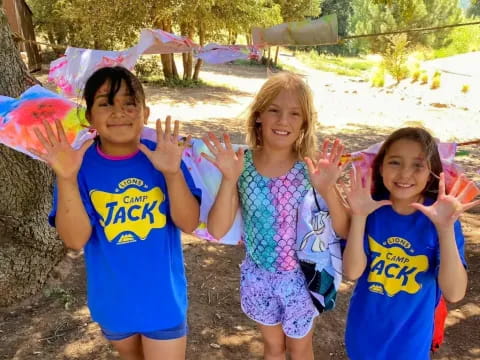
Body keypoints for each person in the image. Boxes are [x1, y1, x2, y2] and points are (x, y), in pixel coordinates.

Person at [30, 66, 201, 360]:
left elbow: (188, 222)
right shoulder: (77, 165)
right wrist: (67, 178)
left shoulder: (163, 155)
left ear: (145, 112)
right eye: (105, 103)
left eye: (129, 102)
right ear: (89, 117)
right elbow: (74, 239)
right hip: (112, 305)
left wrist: (172, 173)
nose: (118, 111)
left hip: (163, 302)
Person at [202, 72, 350, 360]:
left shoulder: (312, 169)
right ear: (259, 116)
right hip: (259, 277)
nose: (284, 121)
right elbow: (218, 230)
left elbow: (343, 229)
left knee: (299, 347)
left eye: (295, 114)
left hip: (304, 278)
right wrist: (229, 179)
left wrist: (328, 189)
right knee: (273, 347)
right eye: (274, 110)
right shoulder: (240, 165)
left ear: (305, 122)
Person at [342, 127, 479, 360]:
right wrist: (359, 216)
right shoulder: (371, 208)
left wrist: (445, 228)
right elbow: (352, 271)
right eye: (395, 162)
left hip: (411, 344)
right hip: (362, 336)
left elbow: (455, 293)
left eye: (418, 165)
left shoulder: (440, 217)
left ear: (432, 172)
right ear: (381, 167)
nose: (405, 173)